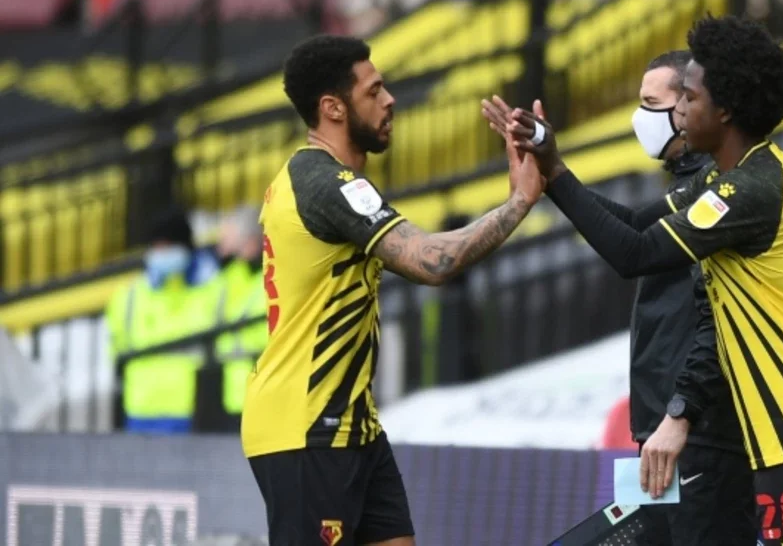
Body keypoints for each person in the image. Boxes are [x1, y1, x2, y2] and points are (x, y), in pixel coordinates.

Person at [483, 15, 783, 546]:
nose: (677, 109)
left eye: (687, 96)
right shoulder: (735, 176)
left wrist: (556, 173)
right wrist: (550, 167)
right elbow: (637, 227)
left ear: (724, 109)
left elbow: (633, 253)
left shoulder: (747, 190)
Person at [241, 34, 545, 546]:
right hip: (308, 426)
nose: (390, 101)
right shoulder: (326, 183)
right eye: (374, 91)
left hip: (353, 425)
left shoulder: (320, 179)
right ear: (332, 108)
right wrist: (518, 203)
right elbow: (432, 261)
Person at [616, 50, 755, 545]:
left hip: (696, 431)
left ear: (688, 107)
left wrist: (680, 414)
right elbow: (631, 231)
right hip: (658, 431)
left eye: (651, 103)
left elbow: (715, 318)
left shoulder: (720, 189)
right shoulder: (683, 186)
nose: (639, 118)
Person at [105, 207, 223, 433]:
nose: (161, 253)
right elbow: (116, 345)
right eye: (157, 247)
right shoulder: (129, 296)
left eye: (168, 247)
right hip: (139, 411)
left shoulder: (212, 290)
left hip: (191, 412)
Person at [212, 205, 268, 430]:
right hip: (234, 395)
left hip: (267, 395)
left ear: (251, 242)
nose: (220, 248)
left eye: (227, 239)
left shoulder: (274, 276)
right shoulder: (227, 280)